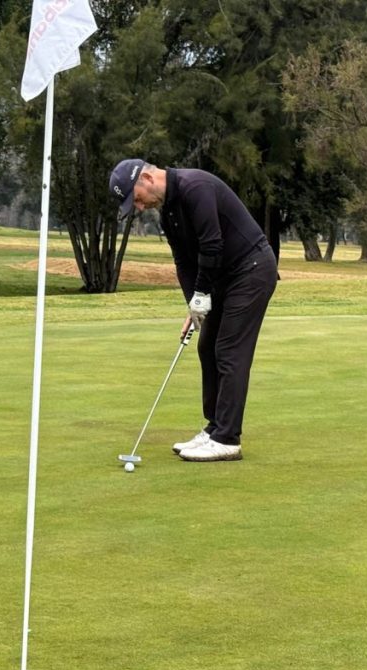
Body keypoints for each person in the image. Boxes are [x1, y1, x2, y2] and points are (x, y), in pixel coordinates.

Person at [109, 159, 277, 462]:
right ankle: (214, 429)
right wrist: (194, 303)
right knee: (206, 346)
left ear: (147, 178)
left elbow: (212, 246)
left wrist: (202, 295)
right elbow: (184, 262)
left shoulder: (195, 187)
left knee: (229, 350)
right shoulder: (169, 212)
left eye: (137, 198)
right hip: (223, 277)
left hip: (251, 270)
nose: (139, 207)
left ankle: (227, 439)